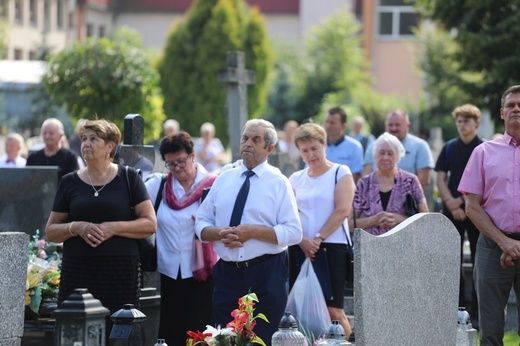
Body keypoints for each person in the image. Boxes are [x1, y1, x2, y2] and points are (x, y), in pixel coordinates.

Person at [44, 119, 157, 335]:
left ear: (110, 146)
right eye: (84, 139)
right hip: (78, 273)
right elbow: (51, 231)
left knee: (119, 334)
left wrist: (112, 228)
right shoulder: (69, 182)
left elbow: (150, 224)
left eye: (94, 139)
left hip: (120, 272)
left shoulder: (129, 178)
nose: (86, 143)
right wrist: (76, 227)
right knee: (77, 335)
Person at [195, 119, 302, 345]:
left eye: (256, 140)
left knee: (261, 341)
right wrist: (218, 233)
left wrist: (253, 232)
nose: (248, 144)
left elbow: (294, 233)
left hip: (266, 273)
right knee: (224, 340)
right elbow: (200, 223)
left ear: (269, 148)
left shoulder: (278, 182)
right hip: (227, 274)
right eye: (245, 138)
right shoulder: (224, 178)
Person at [458, 85, 520, 345]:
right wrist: (503, 241)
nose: (517, 109)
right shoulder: (483, 152)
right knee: (491, 330)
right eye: (511, 106)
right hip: (493, 247)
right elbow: (471, 206)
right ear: (502, 113)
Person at [145, 131, 217, 346]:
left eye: (181, 162)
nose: (177, 169)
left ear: (193, 156)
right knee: (172, 330)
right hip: (170, 271)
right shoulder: (159, 186)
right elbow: (134, 204)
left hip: (204, 272)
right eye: (170, 164)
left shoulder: (213, 184)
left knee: (201, 331)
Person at [288, 123, 355, 339]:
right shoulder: (295, 178)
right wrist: (302, 241)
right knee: (301, 309)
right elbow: (290, 214)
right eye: (304, 150)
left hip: (330, 247)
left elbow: (343, 209)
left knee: (333, 310)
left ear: (324, 145)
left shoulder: (340, 172)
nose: (310, 155)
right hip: (300, 248)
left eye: (314, 148)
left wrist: (317, 239)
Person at [435, 104, 483, 320]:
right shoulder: (449, 147)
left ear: (476, 123)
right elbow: (440, 178)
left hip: (476, 211)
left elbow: (484, 181)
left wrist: (463, 202)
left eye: (466, 121)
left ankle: (478, 313)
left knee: (477, 260)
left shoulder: (483, 148)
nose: (462, 125)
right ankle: (456, 311)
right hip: (451, 211)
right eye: (459, 121)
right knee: (452, 261)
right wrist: (451, 202)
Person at [350, 132, 429, 235]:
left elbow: (426, 219)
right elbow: (350, 224)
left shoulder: (410, 181)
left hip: (404, 245)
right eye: (381, 153)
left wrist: (398, 219)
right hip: (371, 246)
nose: (385, 158)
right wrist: (373, 220)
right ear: (375, 155)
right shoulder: (364, 183)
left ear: (397, 157)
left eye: (390, 153)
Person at [362, 110, 434, 188]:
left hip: (409, 198)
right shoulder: (373, 146)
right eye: (390, 125)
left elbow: (424, 179)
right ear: (385, 125)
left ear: (408, 125)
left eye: (397, 125)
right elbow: (366, 175)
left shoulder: (420, 146)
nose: (393, 128)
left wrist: (397, 194)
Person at [324, 107, 364, 183]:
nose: (328, 126)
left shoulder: (355, 147)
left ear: (343, 126)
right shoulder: (317, 146)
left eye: (332, 123)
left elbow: (355, 177)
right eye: (326, 122)